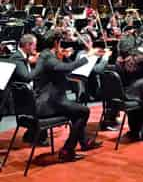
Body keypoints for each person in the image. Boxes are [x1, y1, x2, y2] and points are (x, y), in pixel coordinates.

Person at [36, 30, 102, 162]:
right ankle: (68, 150)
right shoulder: (49, 59)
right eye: (60, 45)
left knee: (76, 112)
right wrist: (88, 56)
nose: (61, 48)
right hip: (50, 103)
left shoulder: (46, 55)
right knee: (84, 111)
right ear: (55, 43)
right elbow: (67, 68)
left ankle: (83, 142)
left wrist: (64, 55)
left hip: (51, 100)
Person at [8, 34, 48, 145]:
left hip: (28, 96)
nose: (35, 49)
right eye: (34, 46)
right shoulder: (17, 58)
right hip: (22, 101)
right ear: (27, 45)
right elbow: (27, 77)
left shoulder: (24, 57)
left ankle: (32, 134)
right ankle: (36, 133)